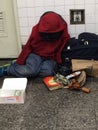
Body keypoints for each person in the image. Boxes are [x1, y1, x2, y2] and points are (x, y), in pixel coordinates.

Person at [0, 11, 70, 78]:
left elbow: (63, 45)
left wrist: (58, 60)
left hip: (51, 57)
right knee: (31, 71)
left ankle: (29, 69)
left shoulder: (62, 28)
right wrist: (20, 61)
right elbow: (28, 46)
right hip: (36, 54)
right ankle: (8, 69)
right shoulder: (37, 29)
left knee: (47, 73)